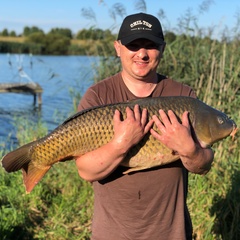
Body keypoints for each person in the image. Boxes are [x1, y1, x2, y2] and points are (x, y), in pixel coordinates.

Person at [75, 12, 214, 240]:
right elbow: (86, 171)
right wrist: (122, 143)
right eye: (133, 45)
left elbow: (204, 164)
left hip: (171, 232)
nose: (141, 53)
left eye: (150, 45)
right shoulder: (98, 96)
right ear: (118, 47)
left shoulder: (182, 96)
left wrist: (190, 151)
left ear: (162, 48)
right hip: (112, 233)